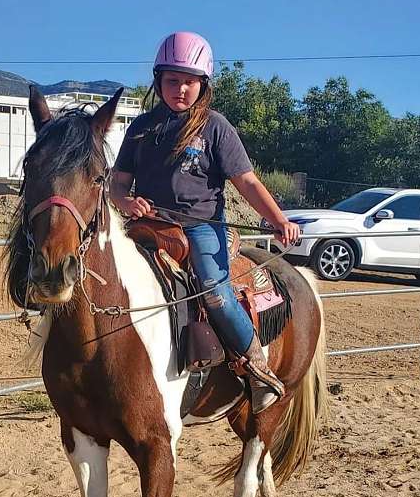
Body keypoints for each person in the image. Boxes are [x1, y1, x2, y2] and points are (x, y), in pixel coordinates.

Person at [110, 31, 300, 412]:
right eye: (172, 80)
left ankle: (256, 367)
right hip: (148, 225)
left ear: (203, 84)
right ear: (159, 81)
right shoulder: (141, 128)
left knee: (214, 290)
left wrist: (278, 219)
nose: (181, 89)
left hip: (200, 225)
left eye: (190, 81)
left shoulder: (215, 127)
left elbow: (246, 180)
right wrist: (125, 202)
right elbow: (117, 183)